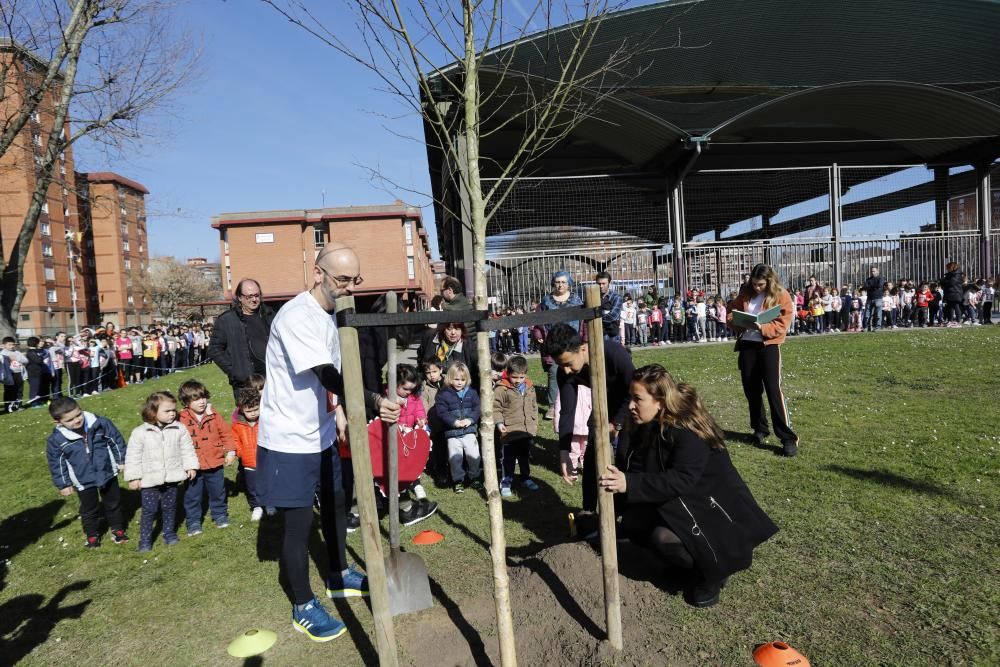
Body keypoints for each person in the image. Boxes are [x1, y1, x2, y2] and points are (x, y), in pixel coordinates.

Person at [257, 242, 370, 643]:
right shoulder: (296, 316)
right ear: (318, 273)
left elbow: (331, 376)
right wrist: (367, 399)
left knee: (337, 503)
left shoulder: (331, 314)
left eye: (355, 280)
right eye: (342, 279)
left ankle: (338, 573)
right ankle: (302, 604)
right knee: (299, 523)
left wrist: (338, 411)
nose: (349, 288)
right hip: (289, 438)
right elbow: (325, 372)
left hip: (320, 431)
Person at [599, 364, 779, 608]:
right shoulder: (642, 426)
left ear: (660, 402)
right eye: (630, 397)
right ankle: (687, 565)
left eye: (638, 399)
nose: (630, 405)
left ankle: (712, 572)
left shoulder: (685, 432)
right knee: (633, 523)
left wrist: (628, 483)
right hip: (680, 501)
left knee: (663, 538)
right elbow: (634, 466)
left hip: (710, 507)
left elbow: (682, 479)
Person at [547, 322, 634, 530]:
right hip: (602, 409)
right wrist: (564, 450)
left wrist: (617, 423)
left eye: (568, 362)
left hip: (629, 408)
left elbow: (633, 388)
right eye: (561, 365)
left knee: (624, 457)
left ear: (583, 348)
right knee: (592, 457)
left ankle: (623, 513)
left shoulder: (613, 354)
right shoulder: (565, 372)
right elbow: (567, 411)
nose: (566, 370)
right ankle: (588, 509)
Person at [727, 264, 799, 457]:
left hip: (769, 346)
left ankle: (787, 437)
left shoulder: (781, 295)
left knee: (773, 390)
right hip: (748, 346)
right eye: (754, 284)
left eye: (761, 284)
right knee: (751, 389)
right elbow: (731, 312)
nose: (757, 288)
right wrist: (736, 321)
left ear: (769, 281)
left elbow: (783, 323)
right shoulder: (745, 293)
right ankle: (760, 429)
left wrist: (762, 328)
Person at [46, 396, 129, 548]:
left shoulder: (100, 424)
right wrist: (64, 484)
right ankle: (92, 534)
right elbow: (56, 463)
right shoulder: (56, 440)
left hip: (107, 471)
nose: (77, 420)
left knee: (113, 503)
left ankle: (117, 529)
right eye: (70, 420)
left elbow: (116, 440)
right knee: (89, 508)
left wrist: (122, 460)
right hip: (82, 478)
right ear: (58, 422)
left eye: (79, 414)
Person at [125, 391, 199, 552]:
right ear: (152, 412)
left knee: (170, 506)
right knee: (149, 510)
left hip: (172, 476)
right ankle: (145, 539)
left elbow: (187, 449)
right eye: (167, 411)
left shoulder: (179, 428)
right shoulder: (140, 432)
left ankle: (169, 533)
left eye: (174, 410)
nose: (172, 413)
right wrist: (134, 477)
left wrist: (190, 466)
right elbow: (133, 456)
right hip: (149, 478)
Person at [177, 379, 236, 535]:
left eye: (203, 397)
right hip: (193, 466)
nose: (201, 401)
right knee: (192, 496)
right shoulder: (180, 419)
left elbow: (226, 433)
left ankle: (220, 515)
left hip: (215, 461)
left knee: (218, 492)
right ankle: (194, 522)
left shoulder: (213, 414)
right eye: (196, 399)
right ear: (186, 401)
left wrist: (230, 451)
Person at [208, 277, 275, 398]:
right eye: (249, 296)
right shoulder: (226, 320)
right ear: (240, 297)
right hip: (245, 382)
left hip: (273, 378)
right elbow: (214, 349)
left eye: (257, 295)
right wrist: (234, 371)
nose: (254, 300)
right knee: (249, 415)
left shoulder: (270, 315)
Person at [493, 355, 539, 497]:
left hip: (526, 431)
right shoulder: (502, 389)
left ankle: (525, 477)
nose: (518, 381)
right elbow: (496, 408)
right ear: (508, 373)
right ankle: (506, 482)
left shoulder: (530, 387)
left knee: (524, 457)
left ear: (525, 374)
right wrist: (499, 423)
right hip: (509, 432)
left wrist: (534, 423)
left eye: (521, 377)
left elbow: (534, 406)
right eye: (514, 377)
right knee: (508, 459)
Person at [540, 271, 584, 419]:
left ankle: (578, 402)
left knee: (576, 372)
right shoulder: (546, 301)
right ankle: (552, 406)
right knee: (554, 373)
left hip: (572, 343)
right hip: (553, 343)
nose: (560, 285)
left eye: (563, 282)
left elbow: (582, 321)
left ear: (569, 283)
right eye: (558, 282)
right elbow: (539, 322)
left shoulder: (577, 300)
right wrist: (540, 335)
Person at [435, 361, 482, 494]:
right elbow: (441, 412)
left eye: (463, 379)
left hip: (469, 431)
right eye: (456, 379)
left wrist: (471, 419)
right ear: (450, 378)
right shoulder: (444, 394)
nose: (459, 382)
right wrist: (454, 422)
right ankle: (458, 480)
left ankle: (475, 477)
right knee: (455, 458)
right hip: (452, 433)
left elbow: (477, 409)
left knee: (473, 455)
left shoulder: (472, 393)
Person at [232, 387, 263, 522]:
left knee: (268, 483)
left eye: (256, 409)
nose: (253, 413)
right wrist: (240, 453)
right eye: (249, 411)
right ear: (241, 408)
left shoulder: (265, 421)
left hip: (266, 460)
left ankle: (269, 503)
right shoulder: (237, 425)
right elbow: (235, 440)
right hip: (249, 462)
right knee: (252, 487)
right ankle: (256, 506)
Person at [2, 337, 27, 412]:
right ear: (4, 345)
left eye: (13, 344)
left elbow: (25, 360)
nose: (12, 346)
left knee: (19, 390)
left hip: (19, 374)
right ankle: (8, 407)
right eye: (9, 345)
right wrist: (8, 359)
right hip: (9, 375)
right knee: (9, 391)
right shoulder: (2, 353)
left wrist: (17, 358)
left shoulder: (17, 352)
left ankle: (19, 405)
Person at [596, 271, 623, 342]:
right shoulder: (593, 297)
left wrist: (596, 317)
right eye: (599, 284)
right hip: (597, 334)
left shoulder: (616, 297)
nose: (601, 286)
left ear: (609, 283)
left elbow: (612, 316)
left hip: (611, 335)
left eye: (603, 283)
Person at [863, 266, 886, 331]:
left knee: (878, 314)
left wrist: (870, 286)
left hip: (878, 298)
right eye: (871, 271)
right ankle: (866, 327)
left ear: (877, 271)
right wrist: (873, 286)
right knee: (867, 314)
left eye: (874, 271)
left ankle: (877, 327)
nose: (872, 272)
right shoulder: (868, 279)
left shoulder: (880, 278)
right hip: (869, 298)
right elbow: (865, 287)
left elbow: (879, 285)